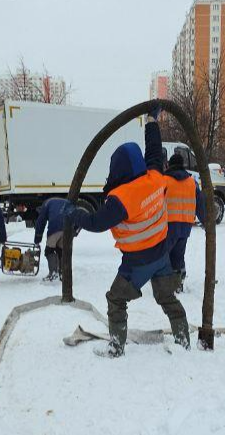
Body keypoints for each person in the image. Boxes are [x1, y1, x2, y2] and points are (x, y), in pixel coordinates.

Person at [67, 104, 189, 357]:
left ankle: (116, 347)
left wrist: (75, 214)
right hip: (163, 254)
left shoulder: (121, 198)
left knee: (116, 299)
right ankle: (183, 343)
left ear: (118, 169)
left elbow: (97, 223)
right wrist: (152, 122)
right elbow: (154, 151)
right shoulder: (155, 177)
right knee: (168, 299)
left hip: (138, 262)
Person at [163, 149, 207, 293]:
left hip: (168, 226)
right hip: (186, 226)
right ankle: (178, 281)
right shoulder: (192, 183)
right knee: (179, 254)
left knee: (165, 254)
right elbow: (200, 205)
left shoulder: (164, 181)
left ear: (169, 165)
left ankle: (165, 283)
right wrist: (206, 222)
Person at [34, 197, 70, 282]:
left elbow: (41, 222)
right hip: (68, 228)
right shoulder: (66, 202)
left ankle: (53, 273)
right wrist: (74, 231)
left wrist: (37, 239)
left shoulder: (46, 204)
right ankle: (63, 274)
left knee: (49, 251)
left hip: (55, 228)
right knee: (62, 251)